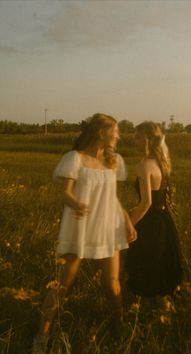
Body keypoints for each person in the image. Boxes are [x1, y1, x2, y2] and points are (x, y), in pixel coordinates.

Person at [32, 113, 137, 353]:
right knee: (63, 284)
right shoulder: (74, 158)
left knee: (112, 285)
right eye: (116, 131)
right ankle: (41, 337)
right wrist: (76, 203)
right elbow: (65, 193)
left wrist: (128, 222)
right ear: (101, 132)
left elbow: (113, 198)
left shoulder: (114, 161)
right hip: (80, 227)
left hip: (108, 227)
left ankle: (119, 326)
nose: (119, 135)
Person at [126, 121, 182, 298]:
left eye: (137, 137)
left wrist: (129, 225)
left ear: (148, 139)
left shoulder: (144, 166)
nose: (134, 141)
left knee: (146, 262)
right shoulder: (161, 162)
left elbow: (146, 203)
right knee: (158, 263)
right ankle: (162, 308)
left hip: (149, 222)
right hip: (164, 219)